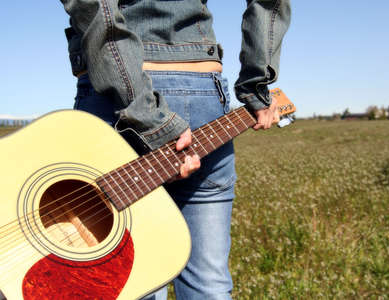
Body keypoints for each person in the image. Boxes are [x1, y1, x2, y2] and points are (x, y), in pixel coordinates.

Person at [60, 0, 291, 299]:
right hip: (200, 90)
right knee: (209, 283)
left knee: (131, 285)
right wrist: (258, 83)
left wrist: (143, 112)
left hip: (114, 98)